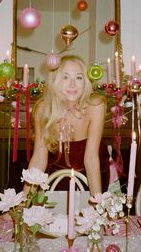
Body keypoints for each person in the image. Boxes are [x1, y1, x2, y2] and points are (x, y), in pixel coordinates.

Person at [27, 55, 110, 195]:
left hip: (93, 178)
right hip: (55, 178)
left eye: (78, 77)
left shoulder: (96, 106)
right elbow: (39, 158)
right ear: (55, 81)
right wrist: (22, 204)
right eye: (65, 77)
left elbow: (91, 157)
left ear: (85, 82)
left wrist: (97, 202)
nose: (72, 84)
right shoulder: (43, 109)